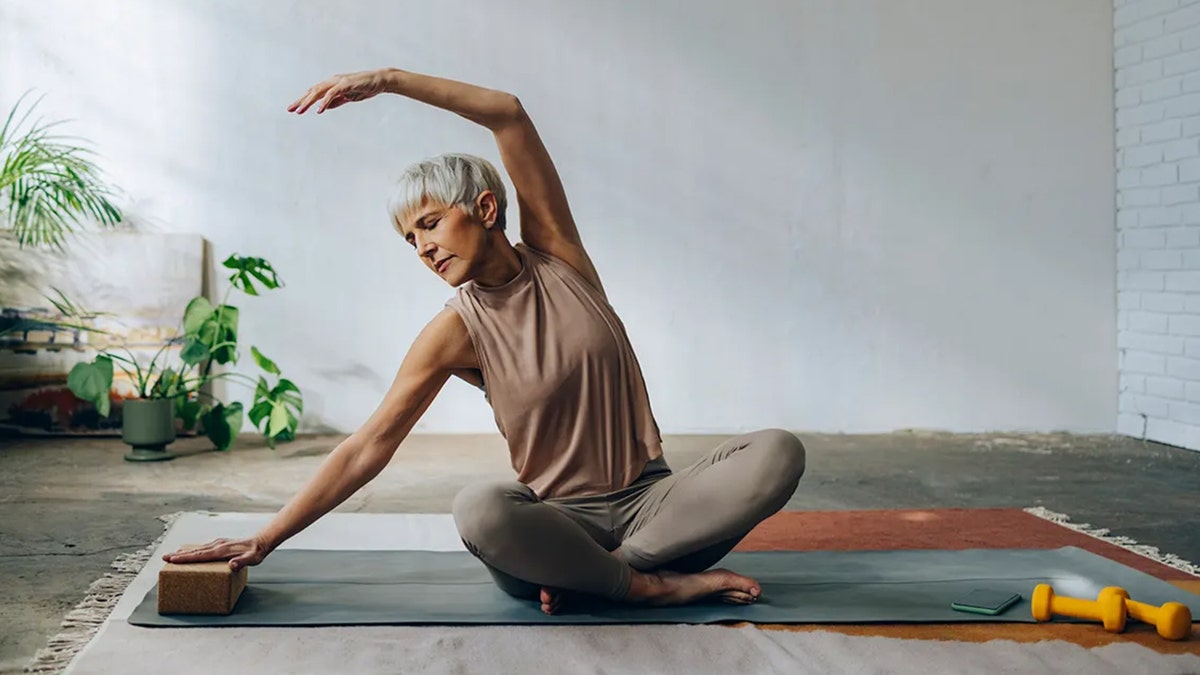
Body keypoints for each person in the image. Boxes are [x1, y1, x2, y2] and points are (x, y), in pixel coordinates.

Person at [164, 67, 807, 615]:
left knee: (777, 451)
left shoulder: (561, 257)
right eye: (410, 239)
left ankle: (615, 578)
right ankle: (642, 586)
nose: (423, 248)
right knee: (480, 508)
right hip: (556, 528)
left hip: (656, 510)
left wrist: (384, 80)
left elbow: (509, 116)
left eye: (431, 223)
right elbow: (369, 446)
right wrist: (265, 539)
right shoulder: (454, 331)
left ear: (487, 209)